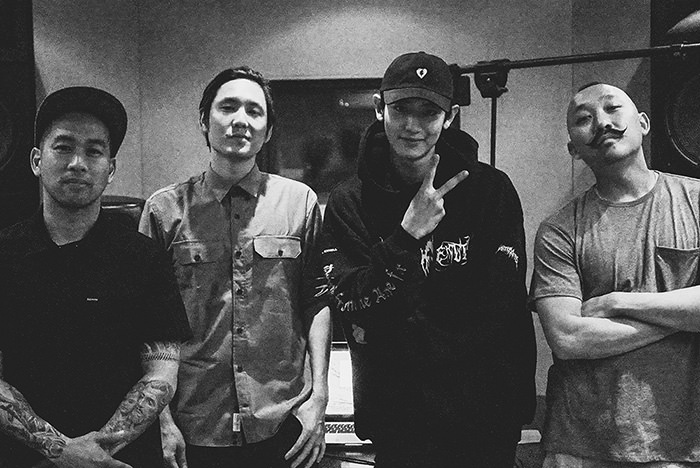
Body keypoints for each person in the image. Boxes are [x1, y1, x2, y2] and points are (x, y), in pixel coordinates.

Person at [316, 51, 537, 467]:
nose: (413, 125)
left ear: (449, 116)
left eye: (428, 112)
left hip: (485, 416)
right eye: (401, 109)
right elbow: (353, 302)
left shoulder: (490, 190)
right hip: (398, 420)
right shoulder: (350, 201)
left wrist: (397, 320)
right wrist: (405, 236)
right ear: (380, 108)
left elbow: (499, 307)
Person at [139, 66, 331, 468]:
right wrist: (161, 420)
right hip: (194, 425)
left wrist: (319, 398)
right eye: (228, 107)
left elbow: (317, 301)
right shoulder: (164, 210)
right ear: (204, 120)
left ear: (268, 130)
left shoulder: (300, 203)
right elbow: (145, 323)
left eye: (254, 111)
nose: (241, 120)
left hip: (283, 421)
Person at [0, 86, 192, 468]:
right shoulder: (4, 254)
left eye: (94, 151)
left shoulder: (145, 257)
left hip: (123, 460)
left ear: (111, 169)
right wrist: (61, 450)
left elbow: (162, 372)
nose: (77, 163)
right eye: (63, 147)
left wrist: (96, 452)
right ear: (37, 160)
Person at [531, 82, 700, 467]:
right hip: (582, 444)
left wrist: (617, 302)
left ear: (643, 123)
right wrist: (684, 319)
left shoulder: (696, 202)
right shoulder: (559, 230)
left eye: (612, 108)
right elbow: (568, 337)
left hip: (685, 442)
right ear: (573, 149)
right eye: (584, 119)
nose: (602, 122)